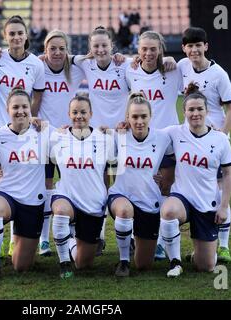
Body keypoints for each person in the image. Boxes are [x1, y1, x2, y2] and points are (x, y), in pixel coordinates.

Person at [160, 83, 231, 277]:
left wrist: (224, 206)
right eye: (191, 109)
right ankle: (174, 262)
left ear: (207, 110)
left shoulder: (220, 140)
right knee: (167, 211)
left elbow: (228, 174)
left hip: (206, 203)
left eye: (199, 109)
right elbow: (145, 134)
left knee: (207, 266)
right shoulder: (174, 133)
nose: (195, 113)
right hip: (182, 197)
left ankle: (198, 255)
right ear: (184, 111)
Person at [0, 15, 45, 257]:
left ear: (26, 35)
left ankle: (13, 240)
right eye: (12, 34)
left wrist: (28, 120)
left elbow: (38, 96)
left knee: (20, 185)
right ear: (5, 36)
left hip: (21, 133)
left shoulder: (36, 64)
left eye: (20, 33)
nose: (16, 37)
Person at [177, 27, 231, 262]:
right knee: (194, 187)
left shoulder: (219, 74)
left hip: (214, 141)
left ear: (206, 46)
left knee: (220, 190)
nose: (194, 50)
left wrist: (222, 133)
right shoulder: (182, 66)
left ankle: (223, 245)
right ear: (184, 48)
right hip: (191, 139)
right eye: (189, 46)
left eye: (198, 45)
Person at [0, 87, 49, 279]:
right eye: (15, 107)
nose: (21, 111)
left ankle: (20, 244)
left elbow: (72, 137)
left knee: (21, 267)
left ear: (31, 108)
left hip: (32, 202)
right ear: (7, 109)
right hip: (7, 195)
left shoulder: (43, 132)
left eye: (24, 106)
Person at [126, 30, 183, 260]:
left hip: (167, 142)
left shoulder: (174, 71)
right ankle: (131, 236)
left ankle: (160, 241)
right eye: (144, 49)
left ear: (160, 49)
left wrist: (172, 59)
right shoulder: (130, 72)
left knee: (165, 189)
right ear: (138, 51)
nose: (149, 53)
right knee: (137, 189)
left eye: (153, 49)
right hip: (140, 142)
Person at [74, 26, 131, 255]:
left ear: (112, 46)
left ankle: (130, 234)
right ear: (90, 48)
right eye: (95, 46)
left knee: (124, 186)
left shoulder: (125, 64)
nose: (100, 49)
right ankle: (98, 236)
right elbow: (60, 57)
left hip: (122, 135)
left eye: (104, 45)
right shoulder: (86, 63)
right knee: (100, 187)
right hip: (97, 137)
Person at [108, 93, 173, 277]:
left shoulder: (163, 138)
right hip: (121, 195)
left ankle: (133, 239)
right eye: (134, 116)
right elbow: (91, 139)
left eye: (143, 116)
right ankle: (123, 261)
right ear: (127, 117)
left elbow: (183, 151)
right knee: (124, 211)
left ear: (150, 117)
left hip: (149, 201)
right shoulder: (117, 136)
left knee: (144, 265)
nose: (139, 121)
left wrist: (167, 181)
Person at [50, 95, 115, 279]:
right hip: (66, 196)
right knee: (61, 212)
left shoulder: (105, 139)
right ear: (69, 114)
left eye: (83, 112)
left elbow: (109, 169)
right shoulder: (57, 137)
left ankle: (70, 240)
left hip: (91, 203)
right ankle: (63, 262)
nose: (79, 116)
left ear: (91, 114)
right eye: (75, 112)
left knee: (83, 263)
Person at [36, 30, 86, 257]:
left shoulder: (75, 70)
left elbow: (99, 58)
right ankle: (43, 240)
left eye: (61, 48)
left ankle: (74, 236)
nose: (57, 53)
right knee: (45, 188)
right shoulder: (37, 68)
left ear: (68, 50)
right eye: (52, 48)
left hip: (71, 140)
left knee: (71, 185)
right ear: (45, 50)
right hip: (45, 138)